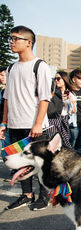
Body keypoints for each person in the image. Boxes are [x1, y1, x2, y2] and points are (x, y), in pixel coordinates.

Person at [0, 25, 52, 211]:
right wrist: (4, 122)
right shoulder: (11, 68)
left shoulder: (40, 66)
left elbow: (45, 97)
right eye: (11, 38)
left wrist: (38, 123)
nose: (12, 42)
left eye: (16, 38)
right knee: (18, 161)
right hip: (14, 124)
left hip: (34, 125)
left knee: (39, 161)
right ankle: (26, 194)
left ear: (28, 43)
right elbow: (6, 99)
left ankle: (43, 196)